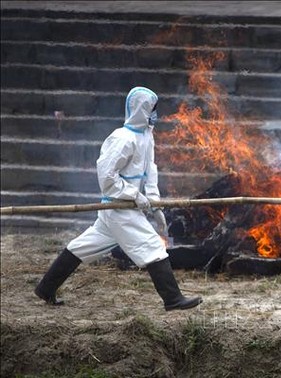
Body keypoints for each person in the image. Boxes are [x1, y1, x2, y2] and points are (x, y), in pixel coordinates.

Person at [35, 86, 202, 311]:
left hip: (127, 207)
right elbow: (107, 178)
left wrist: (155, 204)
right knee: (152, 246)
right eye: (152, 108)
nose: (155, 113)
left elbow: (150, 170)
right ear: (142, 109)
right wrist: (134, 195)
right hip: (119, 207)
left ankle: (45, 288)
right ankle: (173, 299)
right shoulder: (122, 139)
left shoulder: (146, 135)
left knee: (83, 246)